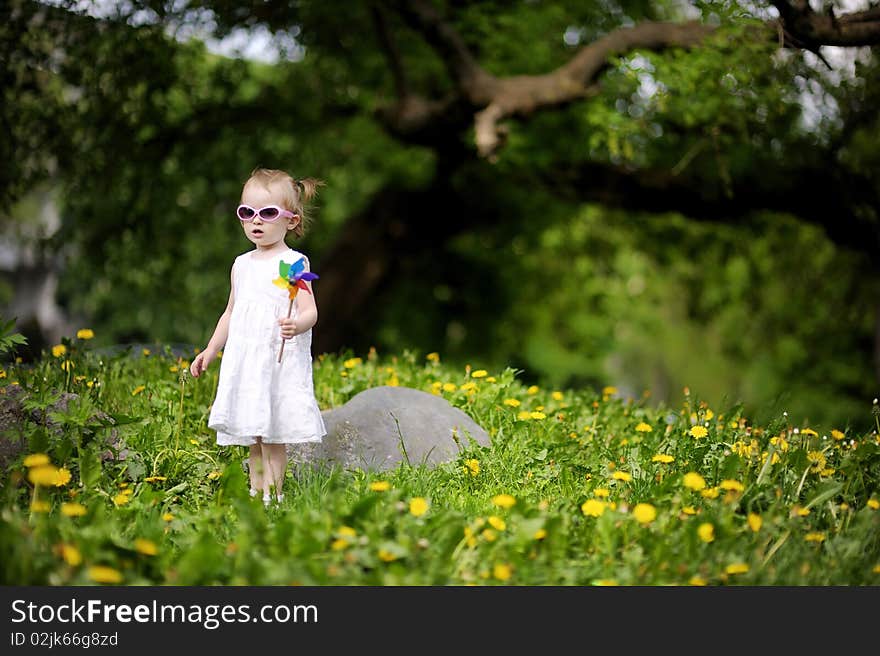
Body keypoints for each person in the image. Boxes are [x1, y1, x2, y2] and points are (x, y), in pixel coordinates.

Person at [190, 167, 327, 506]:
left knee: (272, 435)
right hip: (247, 361)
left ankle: (275, 496)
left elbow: (310, 310)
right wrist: (210, 350)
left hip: (277, 361)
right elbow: (231, 312)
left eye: (267, 213)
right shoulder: (241, 264)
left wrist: (298, 324)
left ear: (291, 221)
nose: (256, 220)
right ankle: (256, 492)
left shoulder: (293, 263)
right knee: (253, 433)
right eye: (246, 212)